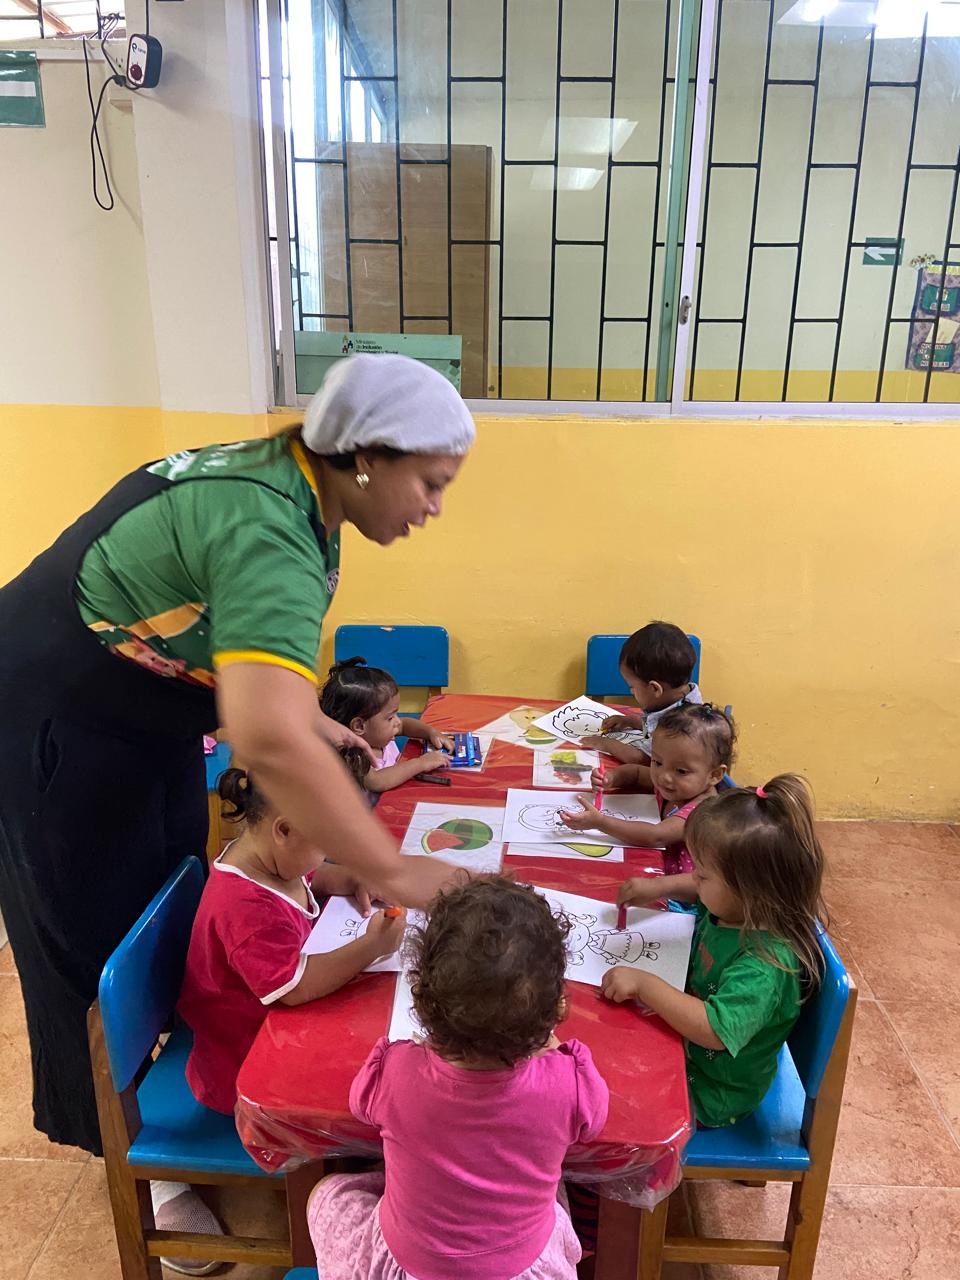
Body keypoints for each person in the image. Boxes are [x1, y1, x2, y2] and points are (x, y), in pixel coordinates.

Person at [0, 353, 472, 1159]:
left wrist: (305, 716)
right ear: (365, 456)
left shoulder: (301, 491)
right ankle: (133, 1158)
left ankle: (183, 1072)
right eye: (431, 483)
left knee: (173, 898)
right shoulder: (269, 523)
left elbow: (241, 649)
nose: (433, 507)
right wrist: (391, 870)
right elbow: (263, 738)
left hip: (145, 714)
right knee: (93, 955)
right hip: (56, 716)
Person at [308, 877, 609, 1280]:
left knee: (327, 1194)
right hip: (521, 1266)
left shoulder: (394, 1070)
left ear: (421, 1002)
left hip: (411, 1266)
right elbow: (594, 1121)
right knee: (554, 1194)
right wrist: (551, 1045)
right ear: (557, 1010)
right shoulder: (569, 1084)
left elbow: (360, 1106)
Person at [603, 775, 826, 1129]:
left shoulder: (764, 966)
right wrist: (658, 887)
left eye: (703, 876)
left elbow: (714, 1030)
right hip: (683, 1048)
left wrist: (645, 985)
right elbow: (696, 890)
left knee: (608, 1106)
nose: (695, 880)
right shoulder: (733, 910)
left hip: (711, 1090)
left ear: (750, 891)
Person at [561, 704, 734, 874]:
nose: (664, 776)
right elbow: (636, 774)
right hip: (652, 860)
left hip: (678, 885)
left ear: (715, 775)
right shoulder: (676, 784)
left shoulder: (702, 811)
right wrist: (611, 778)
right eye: (657, 762)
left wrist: (600, 822)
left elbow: (655, 836)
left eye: (681, 771)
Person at [580, 621, 703, 790]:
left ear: (655, 689)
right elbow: (654, 727)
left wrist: (606, 744)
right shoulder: (686, 695)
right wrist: (631, 721)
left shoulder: (681, 724)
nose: (631, 692)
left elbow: (644, 759)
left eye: (632, 687)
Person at [320, 657, 453, 799]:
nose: (397, 722)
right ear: (359, 726)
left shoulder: (379, 734)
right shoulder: (352, 755)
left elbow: (405, 725)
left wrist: (431, 732)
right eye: (390, 718)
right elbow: (377, 781)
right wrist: (421, 763)